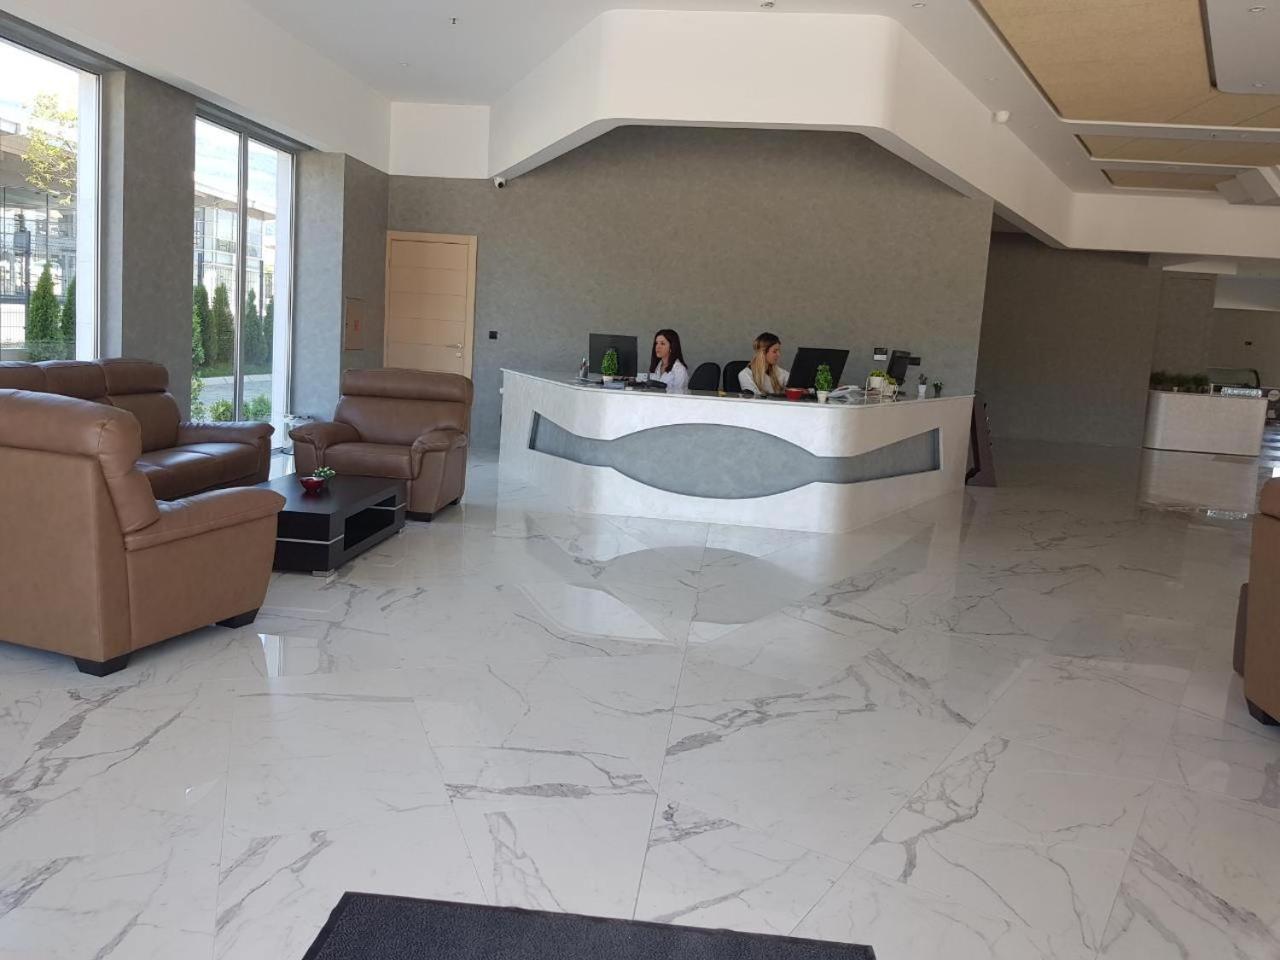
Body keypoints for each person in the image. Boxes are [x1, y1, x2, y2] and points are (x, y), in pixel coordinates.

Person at [649, 329, 690, 393]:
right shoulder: (657, 366)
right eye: (656, 343)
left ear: (672, 347)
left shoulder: (679, 369)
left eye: (662, 343)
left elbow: (679, 395)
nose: (657, 347)